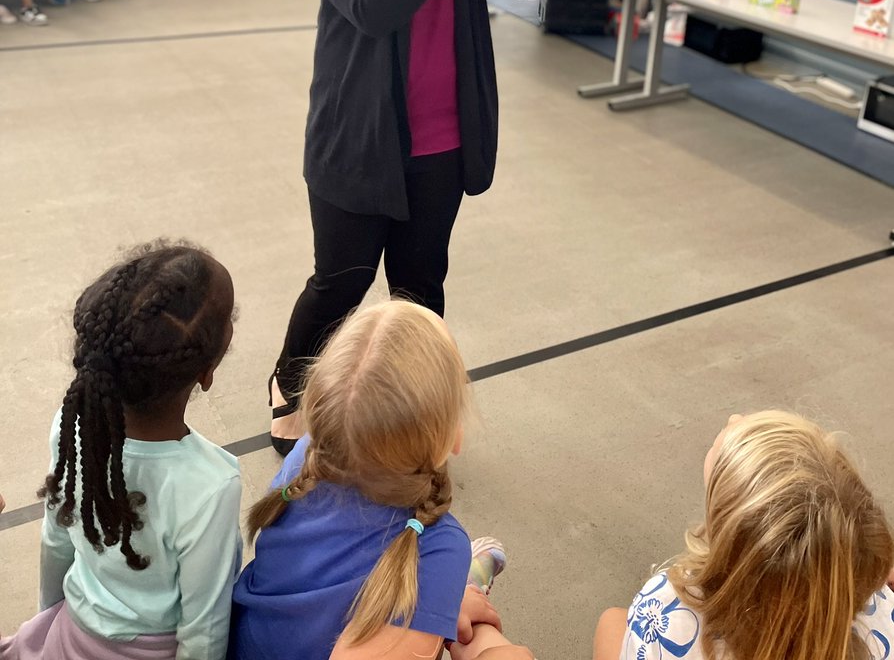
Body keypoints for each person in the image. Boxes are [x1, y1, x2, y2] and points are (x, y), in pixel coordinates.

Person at [268, 0, 554, 453]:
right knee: (341, 281)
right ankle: (289, 385)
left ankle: (412, 417)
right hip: (358, 132)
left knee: (421, 288)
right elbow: (371, 7)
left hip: (443, 132)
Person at [231, 300, 525, 660]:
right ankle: (450, 596)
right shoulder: (439, 546)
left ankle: (444, 600)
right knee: (499, 648)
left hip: (249, 645)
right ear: (453, 436)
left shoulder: (305, 458)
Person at [0, 239, 242, 660]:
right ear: (207, 372)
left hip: (71, 633)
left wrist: (49, 624)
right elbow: (203, 634)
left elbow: (56, 541)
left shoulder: (72, 426)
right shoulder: (211, 485)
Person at [593, 411, 894, 660]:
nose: (734, 416)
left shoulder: (666, 609)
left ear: (722, 533)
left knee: (611, 622)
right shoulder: (876, 609)